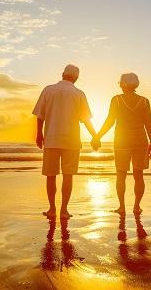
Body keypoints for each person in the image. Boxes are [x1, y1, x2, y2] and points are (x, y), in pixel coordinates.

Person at [33, 64, 97, 219]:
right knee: (68, 175)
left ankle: (52, 209)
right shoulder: (79, 94)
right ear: (76, 78)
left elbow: (40, 115)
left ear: (62, 74)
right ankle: (64, 211)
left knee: (51, 175)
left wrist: (39, 134)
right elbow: (86, 119)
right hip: (72, 140)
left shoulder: (48, 90)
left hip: (52, 138)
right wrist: (95, 136)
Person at [92, 72, 151, 214]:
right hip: (141, 141)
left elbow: (110, 121)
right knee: (138, 176)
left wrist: (97, 136)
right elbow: (148, 124)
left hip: (122, 141)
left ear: (123, 84)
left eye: (120, 83)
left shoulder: (117, 100)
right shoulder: (144, 101)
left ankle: (122, 207)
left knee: (121, 175)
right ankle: (137, 206)